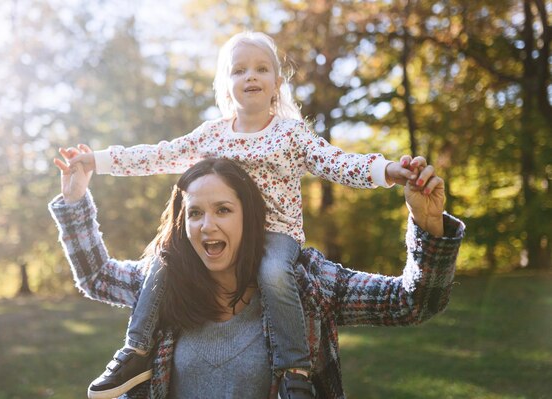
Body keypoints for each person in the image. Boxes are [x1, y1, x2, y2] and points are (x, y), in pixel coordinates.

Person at [66, 31, 421, 399]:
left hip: (276, 235)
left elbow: (336, 162)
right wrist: (99, 161)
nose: (250, 76)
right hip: (233, 232)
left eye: (261, 69)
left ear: (276, 85)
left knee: (273, 273)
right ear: (226, 85)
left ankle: (294, 371)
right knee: (162, 257)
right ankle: (136, 351)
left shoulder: (291, 134)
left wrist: (385, 171)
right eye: (239, 70)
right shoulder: (213, 136)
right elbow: (160, 155)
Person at [50, 153, 464, 399]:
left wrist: (427, 226)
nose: (206, 225)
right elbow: (97, 276)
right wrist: (74, 200)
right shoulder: (162, 287)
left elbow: (411, 302)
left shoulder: (303, 285)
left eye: (223, 210)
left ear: (250, 218)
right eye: (194, 213)